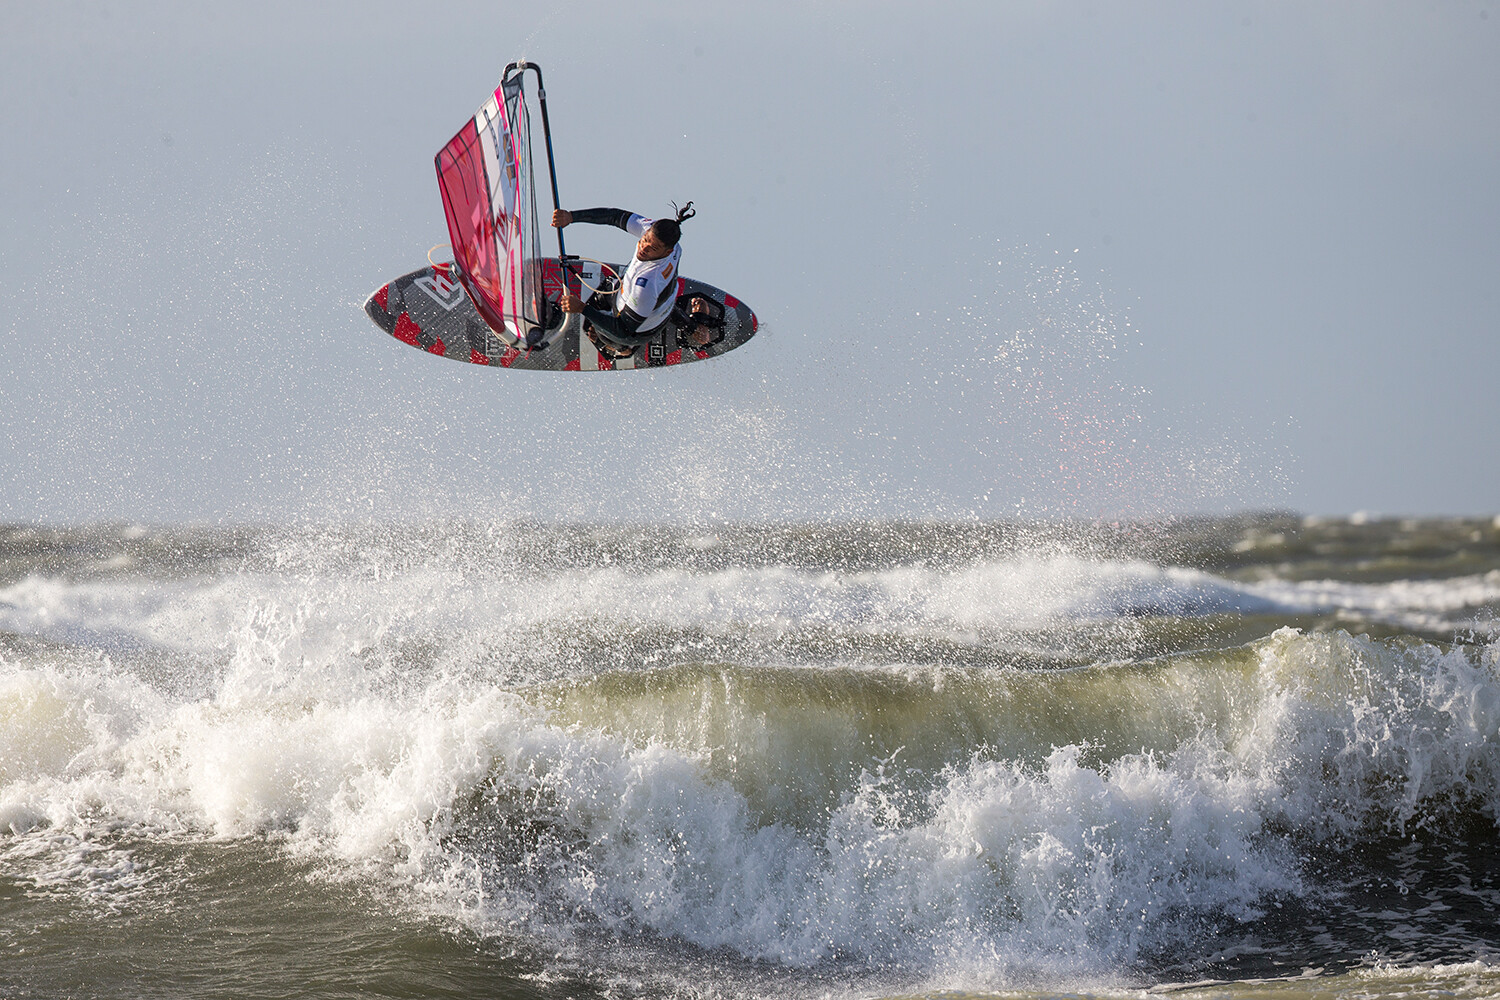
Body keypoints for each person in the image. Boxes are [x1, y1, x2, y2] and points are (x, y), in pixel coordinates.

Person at [551, 203, 703, 358]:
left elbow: (622, 330)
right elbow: (615, 216)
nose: (644, 248)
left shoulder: (647, 284)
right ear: (648, 231)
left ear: (668, 252)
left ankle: (624, 350)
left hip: (637, 332)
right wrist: (571, 216)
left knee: (596, 329)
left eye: (653, 248)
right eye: (645, 239)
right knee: (613, 287)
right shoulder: (657, 235)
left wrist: (582, 308)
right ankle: (693, 328)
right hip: (657, 304)